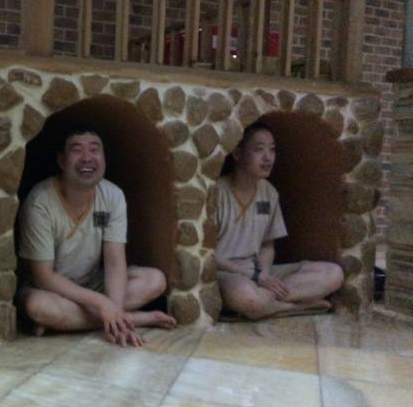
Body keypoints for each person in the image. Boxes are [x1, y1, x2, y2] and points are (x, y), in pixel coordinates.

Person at [17, 125, 176, 347]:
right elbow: (43, 276)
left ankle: (79, 321)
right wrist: (102, 304)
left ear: (104, 158)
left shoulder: (112, 196)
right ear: (62, 161)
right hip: (49, 290)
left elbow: (114, 261)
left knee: (155, 280)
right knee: (38, 307)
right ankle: (135, 318)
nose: (87, 158)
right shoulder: (40, 202)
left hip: (90, 283)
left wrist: (112, 308)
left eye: (94, 149)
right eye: (77, 150)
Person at [215, 122, 344, 320]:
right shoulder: (217, 191)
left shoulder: (269, 192)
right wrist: (256, 278)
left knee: (333, 273)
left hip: (259, 272)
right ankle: (296, 307)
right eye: (259, 149)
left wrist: (264, 275)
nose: (268, 158)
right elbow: (210, 256)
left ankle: (263, 306)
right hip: (227, 273)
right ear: (238, 153)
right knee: (246, 296)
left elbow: (268, 245)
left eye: (272, 150)